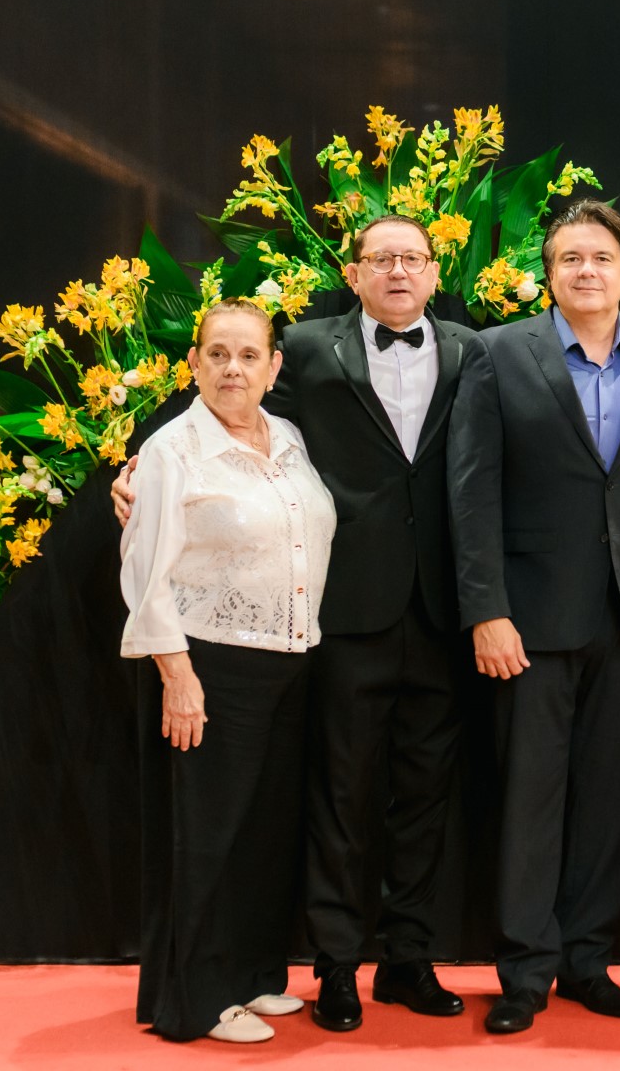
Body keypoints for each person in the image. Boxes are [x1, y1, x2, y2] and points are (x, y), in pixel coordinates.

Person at [117, 214, 480, 1032]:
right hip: (322, 627)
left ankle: (395, 961)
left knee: (366, 809)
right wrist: (134, 477)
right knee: (320, 807)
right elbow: (190, 447)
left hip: (414, 619)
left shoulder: (466, 354)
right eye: (380, 258)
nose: (397, 271)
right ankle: (327, 969)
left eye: (412, 258)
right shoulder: (307, 353)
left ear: (434, 270)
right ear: (352, 274)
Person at [448, 200, 620, 1034]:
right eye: (569, 259)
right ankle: (524, 972)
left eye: (601, 258)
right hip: (528, 619)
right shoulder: (497, 353)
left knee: (608, 799)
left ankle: (590, 960)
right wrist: (486, 610)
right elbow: (471, 490)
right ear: (548, 274)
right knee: (528, 799)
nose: (585, 271)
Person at [121, 298, 337, 1043]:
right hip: (209, 663)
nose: (233, 369)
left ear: (274, 367)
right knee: (208, 835)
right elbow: (144, 570)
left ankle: (251, 975)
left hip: (289, 660)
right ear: (194, 364)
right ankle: (198, 1000)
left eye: (248, 356)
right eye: (218, 354)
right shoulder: (171, 451)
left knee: (264, 833)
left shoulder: (291, 438)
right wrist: (177, 675)